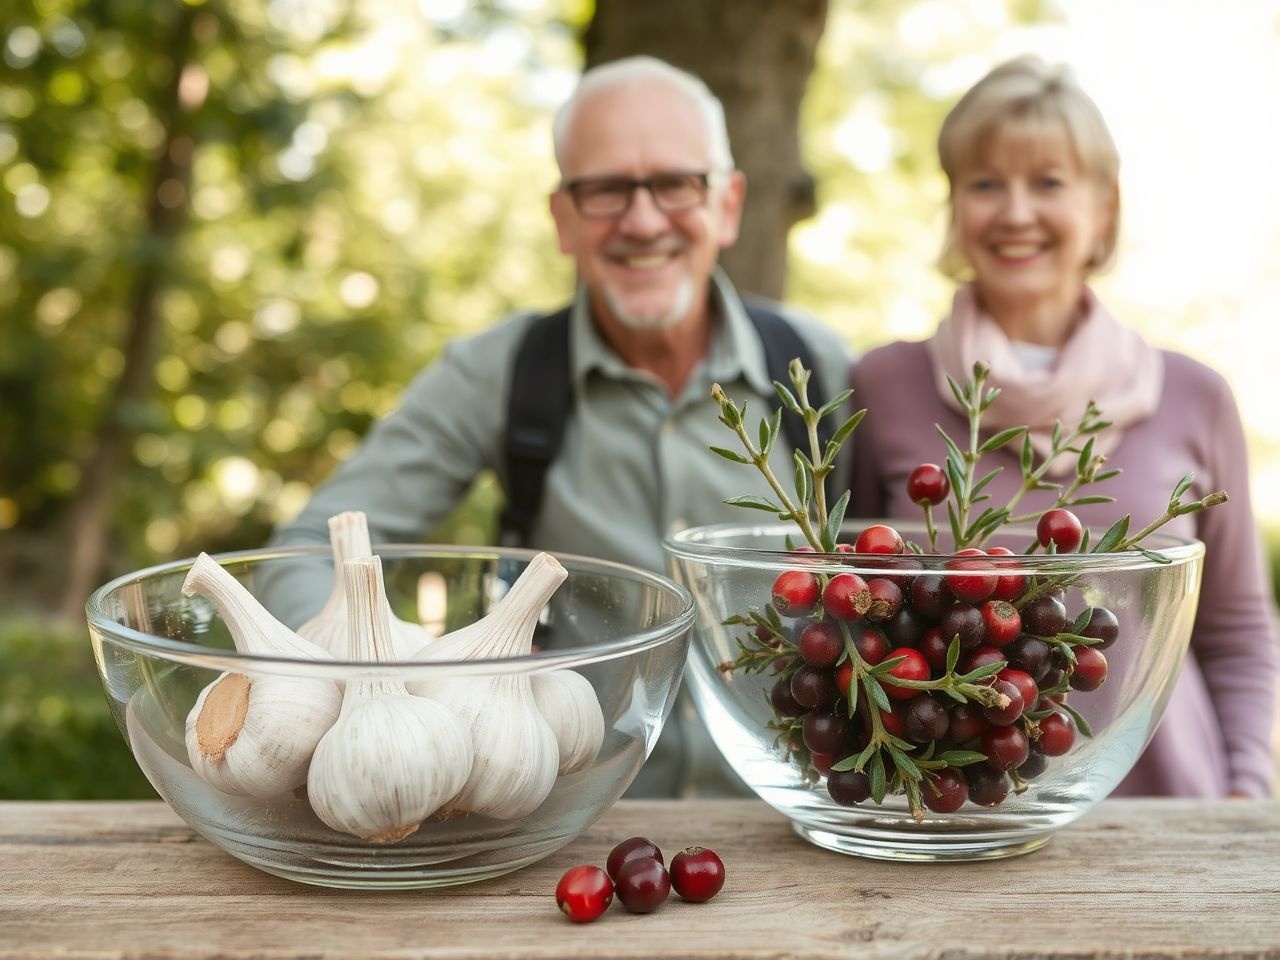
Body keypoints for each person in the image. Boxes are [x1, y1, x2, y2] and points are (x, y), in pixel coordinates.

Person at [268, 55, 852, 797]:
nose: (643, 220)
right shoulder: (501, 373)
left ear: (728, 205)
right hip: (572, 828)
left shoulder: (820, 370)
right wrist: (382, 696)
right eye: (605, 189)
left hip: (800, 823)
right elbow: (304, 552)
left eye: (676, 183)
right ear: (563, 219)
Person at [847, 56, 1277, 798]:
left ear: (1103, 207)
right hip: (949, 814)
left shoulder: (1195, 396)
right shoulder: (883, 385)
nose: (1016, 212)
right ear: (955, 205)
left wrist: (1245, 795)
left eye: (1048, 182)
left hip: (1168, 823)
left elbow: (1237, 635)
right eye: (986, 183)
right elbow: (859, 615)